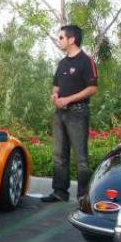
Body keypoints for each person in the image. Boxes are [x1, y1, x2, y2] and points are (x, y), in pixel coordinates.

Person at [42, 24, 98, 203]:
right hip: (60, 113)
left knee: (81, 158)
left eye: (61, 37)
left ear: (71, 39)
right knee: (59, 155)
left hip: (78, 113)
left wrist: (69, 99)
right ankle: (60, 192)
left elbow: (92, 88)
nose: (58, 40)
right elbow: (56, 86)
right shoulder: (62, 62)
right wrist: (55, 96)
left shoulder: (86, 61)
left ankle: (83, 196)